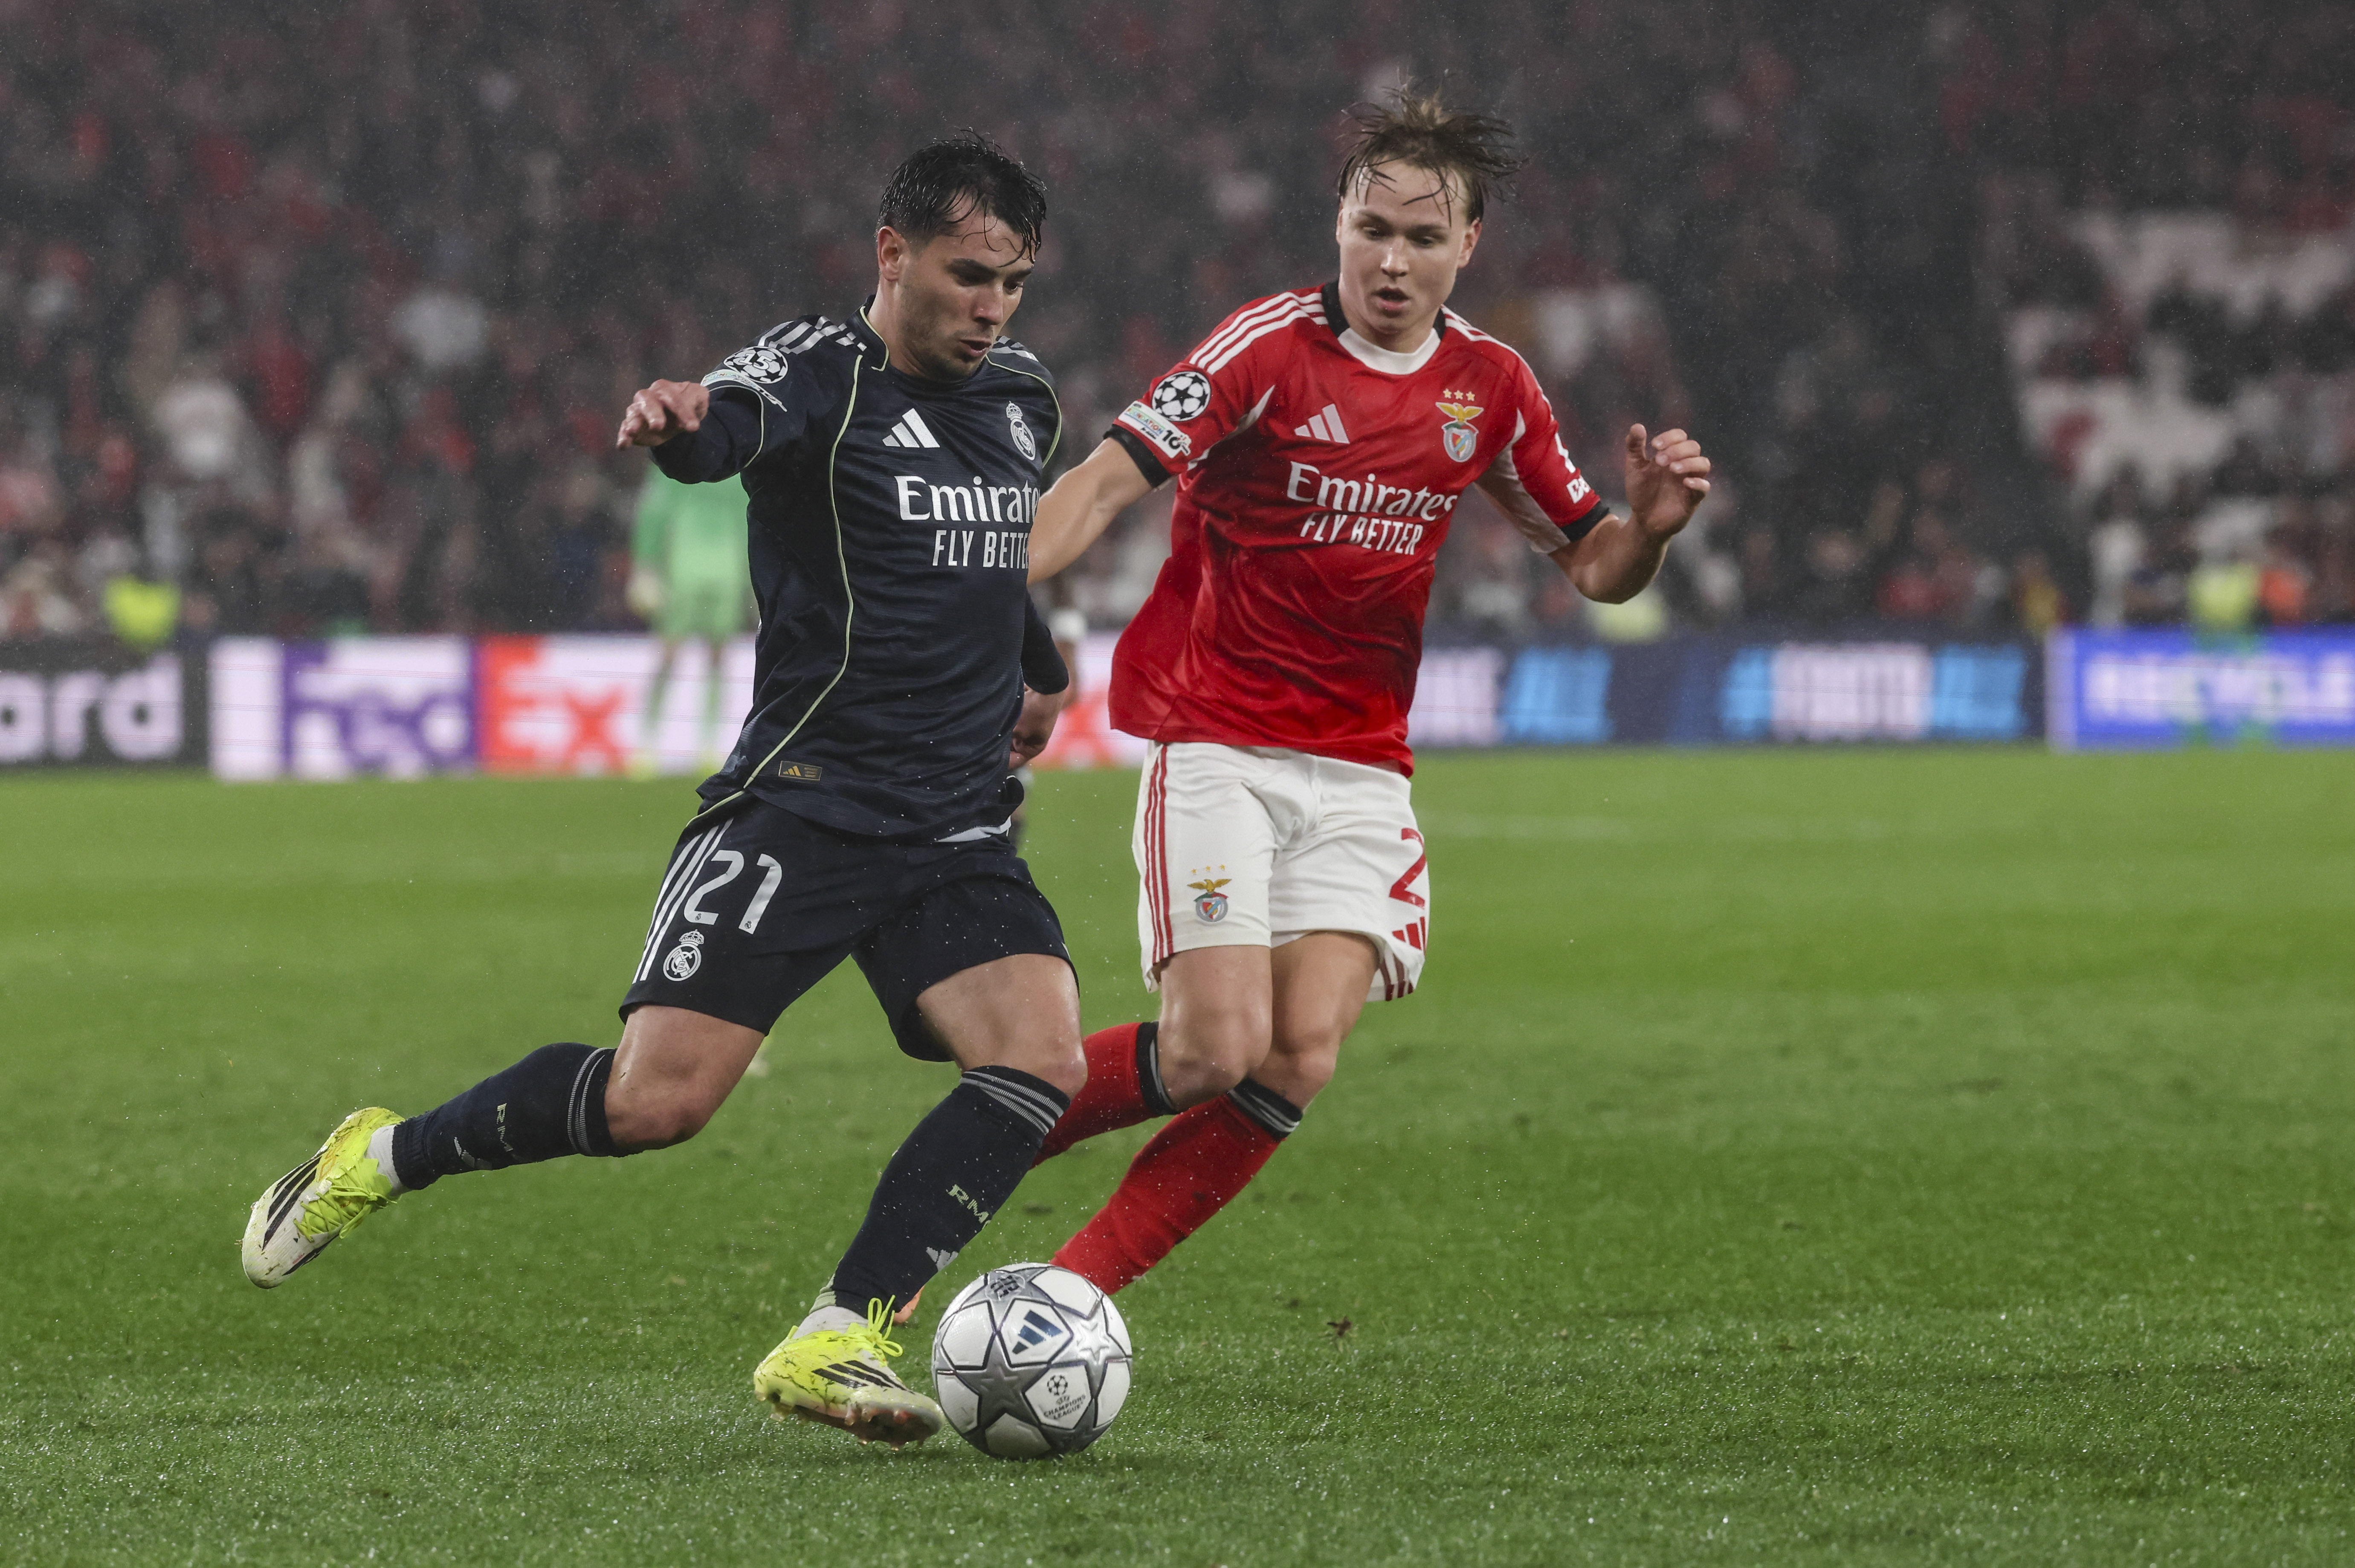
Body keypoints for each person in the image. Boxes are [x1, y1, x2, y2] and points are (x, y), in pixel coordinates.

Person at [241, 135, 1084, 1450]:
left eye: (1013, 284)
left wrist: (1038, 671)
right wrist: (685, 422)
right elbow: (728, 425)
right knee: (654, 1104)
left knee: (1037, 1059)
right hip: (803, 804)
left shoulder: (1023, 399)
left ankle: (837, 1331)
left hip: (955, 822)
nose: (991, 308)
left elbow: (994, 563)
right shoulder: (820, 371)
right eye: (970, 274)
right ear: (893, 252)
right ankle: (383, 1155)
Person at [1022, 91, 1712, 1294]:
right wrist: (992, 590)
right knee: (1210, 1047)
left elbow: (1597, 563)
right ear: (1336, 224)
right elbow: (1101, 479)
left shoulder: (1490, 387)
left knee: (1295, 1056)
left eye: (1422, 238)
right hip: (1222, 741)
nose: (1391, 260)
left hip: (1358, 767)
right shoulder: (1264, 348)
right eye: (1370, 228)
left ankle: (1064, 1301)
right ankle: (960, 1157)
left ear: (1467, 251)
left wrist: (1650, 530)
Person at [626, 465, 751, 776]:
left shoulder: (739, 466)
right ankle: (646, 742)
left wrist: (754, 579)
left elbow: (750, 519)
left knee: (718, 657)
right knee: (669, 654)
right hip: (684, 566)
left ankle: (710, 743)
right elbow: (652, 515)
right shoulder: (676, 459)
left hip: (726, 568)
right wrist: (645, 565)